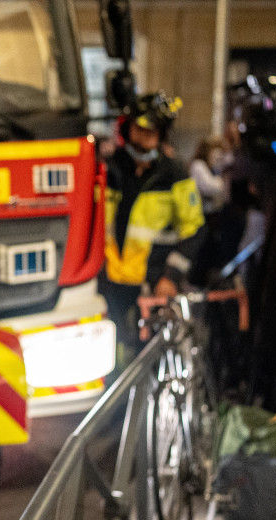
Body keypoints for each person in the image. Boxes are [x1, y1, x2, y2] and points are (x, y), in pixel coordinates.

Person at [100, 92, 205, 357]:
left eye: (152, 133)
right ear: (128, 129)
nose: (144, 139)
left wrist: (171, 277)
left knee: (146, 355)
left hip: (151, 283)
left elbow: (194, 231)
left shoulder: (174, 176)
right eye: (140, 130)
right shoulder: (108, 171)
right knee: (109, 355)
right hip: (108, 281)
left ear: (162, 136)